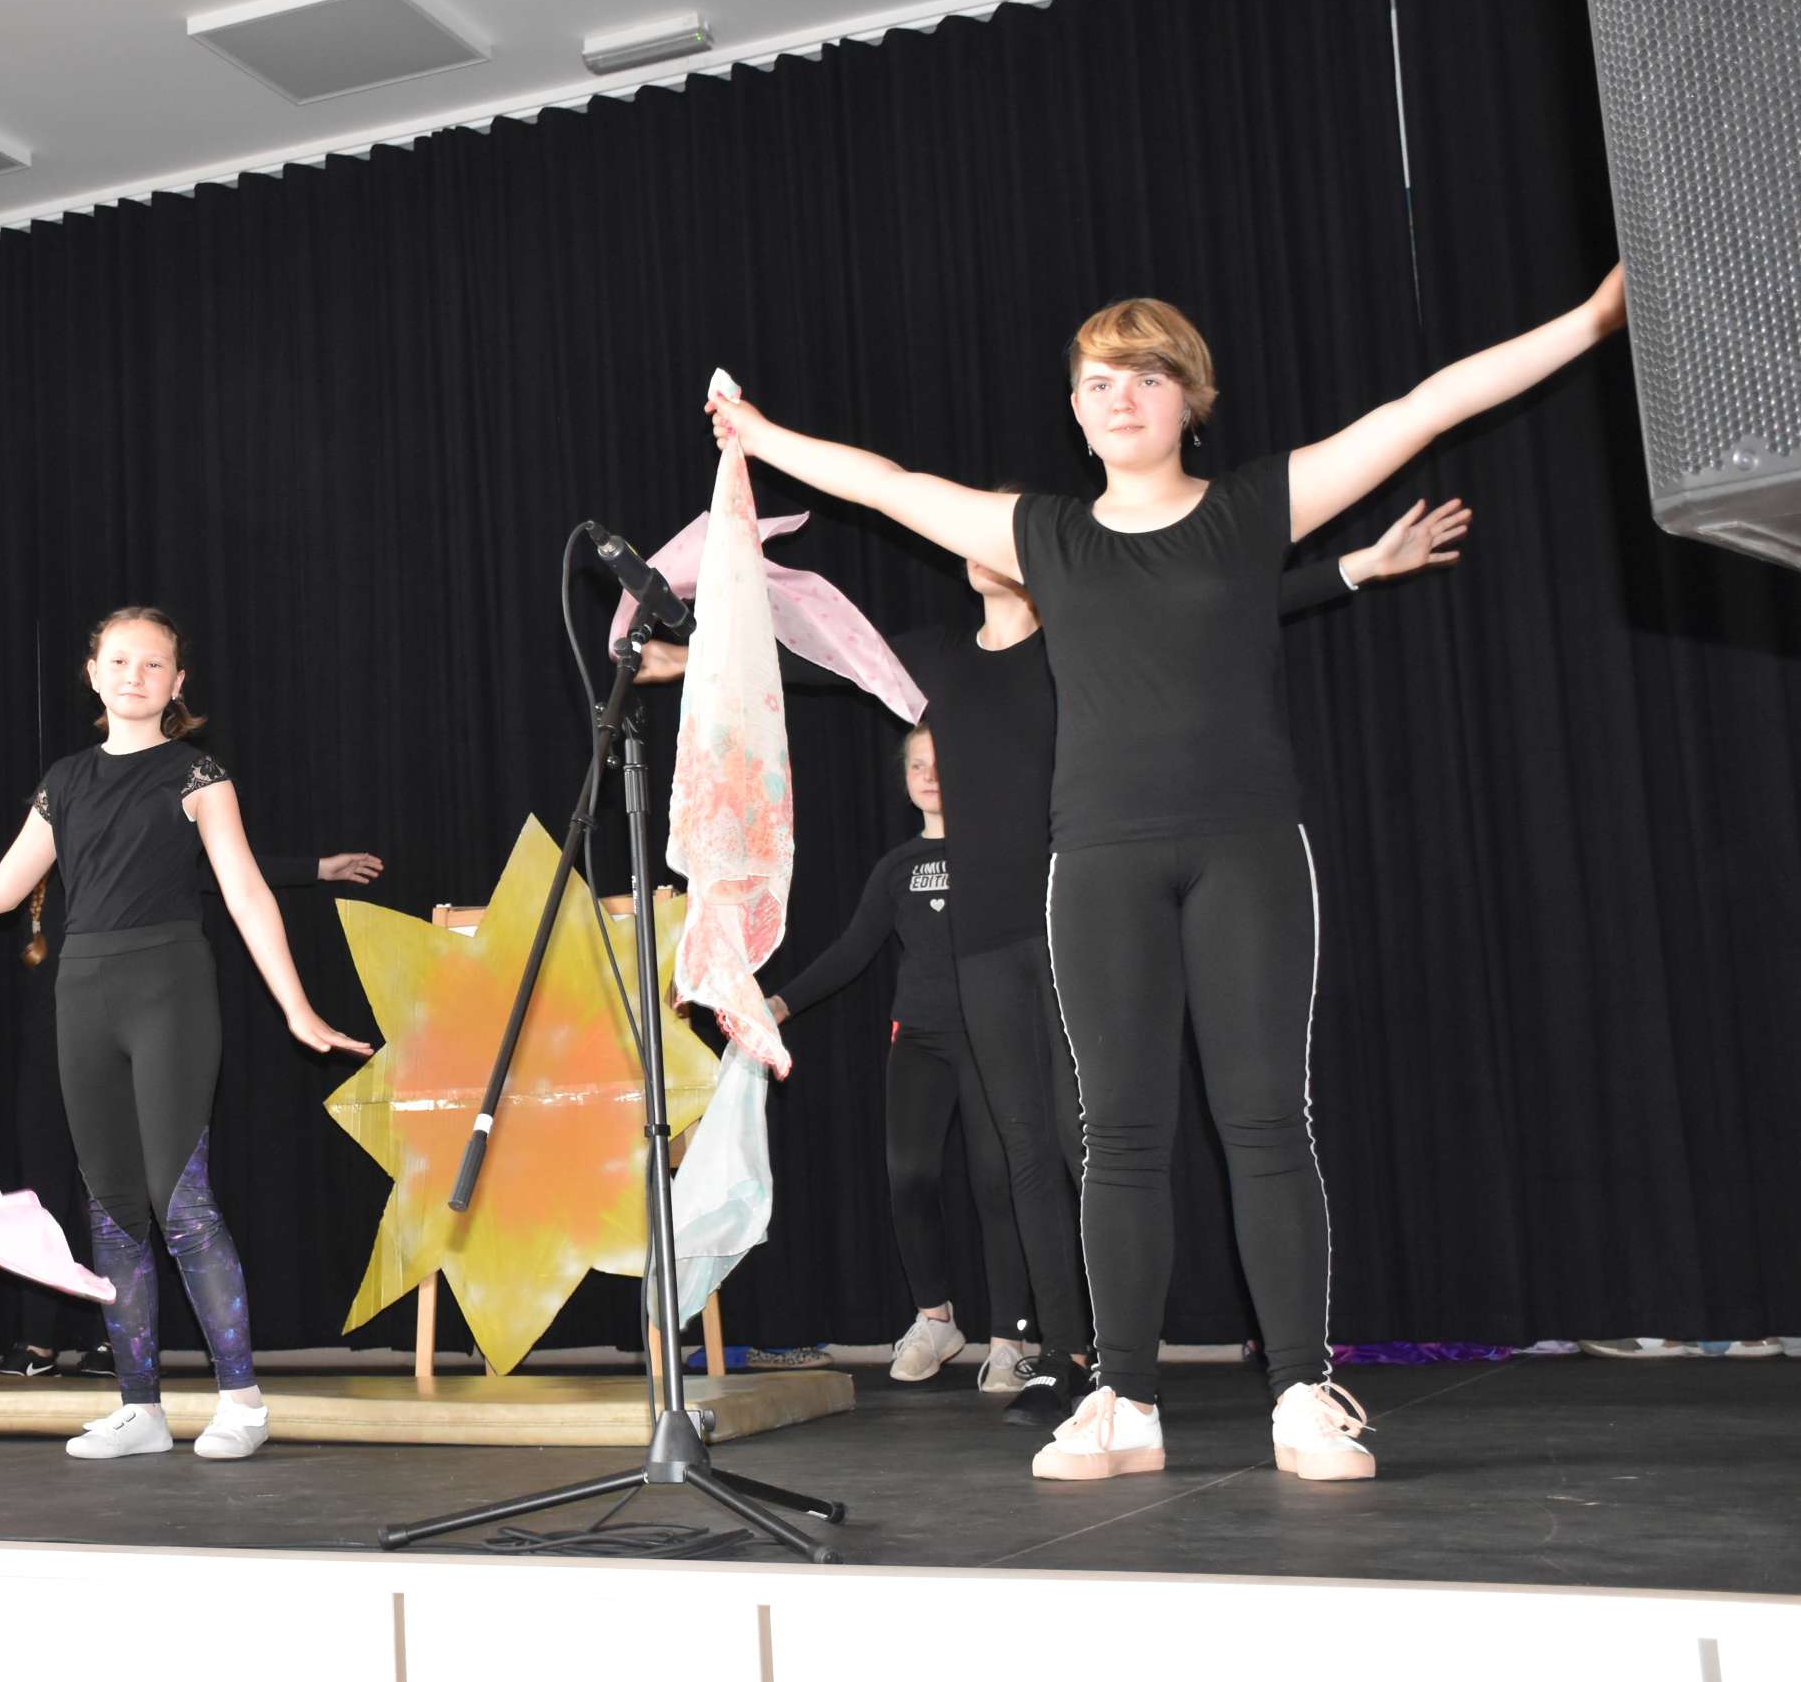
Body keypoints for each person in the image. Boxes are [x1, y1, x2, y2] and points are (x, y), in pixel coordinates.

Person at [709, 267, 1627, 1481]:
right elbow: (884, 483)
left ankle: (1301, 1390)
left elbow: (1426, 406)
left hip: (1248, 850)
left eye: (1146, 376)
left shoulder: (1251, 509)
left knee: (1267, 1120)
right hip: (1099, 863)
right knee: (1119, 1133)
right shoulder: (1045, 534)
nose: (1120, 396)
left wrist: (1591, 321)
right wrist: (757, 433)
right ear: (1075, 410)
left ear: (1189, 398)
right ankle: (1124, 1399)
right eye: (1098, 381)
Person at [644, 500, 1470, 1425]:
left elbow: (1225, 601)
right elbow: (820, 663)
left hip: (1077, 920)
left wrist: (1359, 566)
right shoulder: (937, 657)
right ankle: (1064, 1356)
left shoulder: (1078, 639)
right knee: (1023, 1152)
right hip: (984, 937)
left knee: (1094, 1143)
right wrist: (688, 661)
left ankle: (1124, 1361)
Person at [0, 606, 372, 1462]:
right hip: (82, 995)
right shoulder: (65, 780)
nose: (134, 675)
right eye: (119, 661)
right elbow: (2, 887)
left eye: (153, 664)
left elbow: (244, 892)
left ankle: (242, 1401)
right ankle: (140, 1407)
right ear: (93, 674)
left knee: (180, 1200)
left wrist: (297, 1007)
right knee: (112, 1205)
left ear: (177, 683)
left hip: (170, 991)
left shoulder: (197, 774)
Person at [0, 841, 383, 1382]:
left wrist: (316, 868)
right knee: (42, 1191)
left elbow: (225, 871)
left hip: (115, 1046)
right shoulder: (32, 874)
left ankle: (112, 1339)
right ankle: (38, 1336)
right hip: (48, 1054)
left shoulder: (129, 856)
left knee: (113, 1195)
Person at [759, 726, 1031, 1388]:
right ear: (905, 779)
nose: (930, 775)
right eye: (917, 765)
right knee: (909, 1176)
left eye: (942, 762)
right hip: (920, 1040)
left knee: (997, 1183)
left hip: (992, 1039)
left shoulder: (999, 852)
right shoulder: (897, 867)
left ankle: (1010, 1339)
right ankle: (935, 1319)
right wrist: (778, 1005)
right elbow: (853, 950)